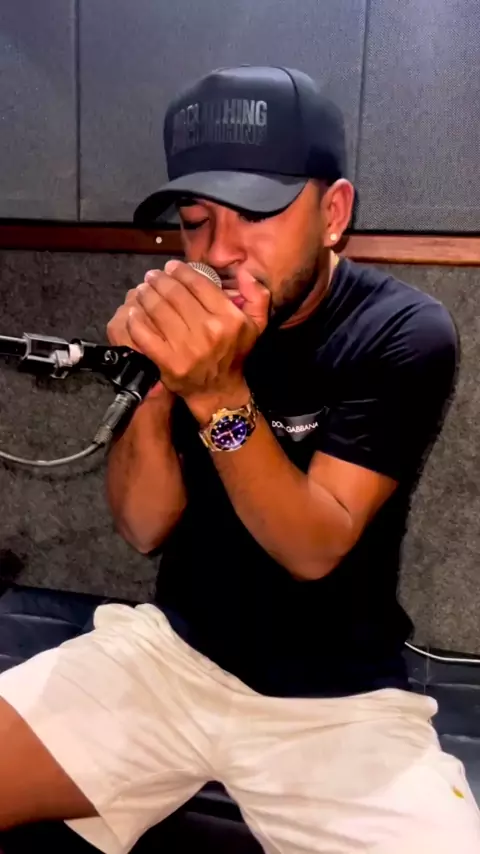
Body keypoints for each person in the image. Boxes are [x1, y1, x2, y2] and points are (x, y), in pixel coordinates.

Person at [0, 65, 478, 854]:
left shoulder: (403, 333)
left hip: (335, 704)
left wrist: (218, 393)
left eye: (256, 214)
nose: (219, 251)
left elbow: (312, 545)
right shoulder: (193, 319)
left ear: (333, 213)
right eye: (195, 221)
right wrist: (162, 383)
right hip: (170, 656)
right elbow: (144, 525)